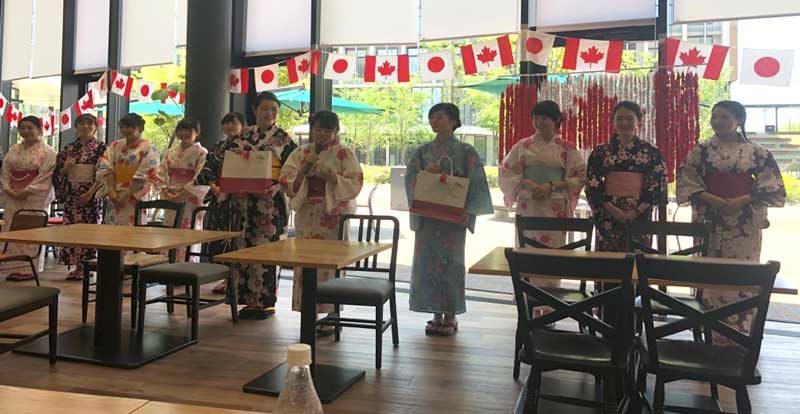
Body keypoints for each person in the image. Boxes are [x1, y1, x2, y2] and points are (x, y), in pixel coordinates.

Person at [677, 100, 786, 343]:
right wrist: (710, 197)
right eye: (715, 116)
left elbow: (772, 185)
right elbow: (687, 178)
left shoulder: (757, 152)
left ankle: (739, 332)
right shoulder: (701, 150)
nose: (718, 121)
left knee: (741, 272)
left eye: (724, 117)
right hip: (710, 217)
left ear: (739, 121)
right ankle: (708, 329)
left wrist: (744, 198)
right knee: (710, 270)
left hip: (744, 220)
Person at [198, 92, 296, 320]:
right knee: (242, 248)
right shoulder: (245, 135)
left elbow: (292, 169)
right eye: (264, 108)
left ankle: (265, 302)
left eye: (273, 109)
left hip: (268, 203)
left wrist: (280, 184)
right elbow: (226, 160)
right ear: (255, 110)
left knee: (265, 251)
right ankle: (245, 300)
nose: (269, 113)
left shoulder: (284, 139)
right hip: (242, 201)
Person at [405, 103, 493, 336]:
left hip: (453, 216)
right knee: (428, 264)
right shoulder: (422, 151)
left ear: (453, 121)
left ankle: (451, 314)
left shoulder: (466, 151)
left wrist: (470, 211)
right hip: (429, 215)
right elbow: (410, 177)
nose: (435, 121)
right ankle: (435, 313)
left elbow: (476, 180)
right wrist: (426, 175)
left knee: (451, 263)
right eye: (432, 117)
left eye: (440, 117)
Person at [279, 110, 363, 336]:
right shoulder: (301, 152)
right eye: (318, 129)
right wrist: (302, 173)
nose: (323, 134)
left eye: (328, 130)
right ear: (312, 130)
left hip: (333, 214)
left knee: (331, 263)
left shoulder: (344, 153)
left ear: (336, 131)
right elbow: (286, 181)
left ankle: (332, 312)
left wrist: (332, 177)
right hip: (307, 212)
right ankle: (309, 311)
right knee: (306, 262)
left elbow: (355, 183)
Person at [498, 100, 587, 297]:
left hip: (555, 205)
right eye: (536, 118)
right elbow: (507, 171)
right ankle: (527, 302)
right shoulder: (524, 145)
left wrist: (553, 185)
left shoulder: (567, 148)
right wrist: (528, 183)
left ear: (556, 120)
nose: (539, 122)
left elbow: (580, 175)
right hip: (528, 203)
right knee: (526, 249)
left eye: (544, 118)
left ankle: (549, 303)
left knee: (552, 253)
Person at [585, 101, 667, 252]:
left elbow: (657, 183)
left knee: (638, 257)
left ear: (638, 122)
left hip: (639, 212)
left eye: (630, 119)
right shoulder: (601, 152)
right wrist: (611, 208)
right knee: (609, 262)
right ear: (613, 121)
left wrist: (636, 211)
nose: (624, 123)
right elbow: (592, 182)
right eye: (620, 119)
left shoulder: (650, 152)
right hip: (608, 212)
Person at [0, 116, 57, 281]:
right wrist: (7, 188)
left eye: (30, 128)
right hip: (13, 194)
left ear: (39, 130)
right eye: (23, 128)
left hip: (34, 197)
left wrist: (28, 190)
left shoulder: (48, 151)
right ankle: (12, 266)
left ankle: (30, 269)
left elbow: (46, 174)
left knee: (31, 230)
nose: (26, 131)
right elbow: (5, 171)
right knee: (11, 228)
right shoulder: (13, 149)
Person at [52, 113, 107, 280]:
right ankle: (77, 266)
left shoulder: (101, 148)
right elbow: (58, 173)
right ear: (76, 127)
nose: (85, 127)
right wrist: (66, 168)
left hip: (91, 194)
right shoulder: (68, 148)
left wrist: (90, 194)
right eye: (81, 124)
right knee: (71, 230)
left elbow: (103, 173)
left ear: (95, 128)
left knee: (89, 231)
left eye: (89, 124)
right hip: (72, 195)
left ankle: (87, 266)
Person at [197, 111, 246, 294]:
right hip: (219, 196)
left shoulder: (246, 146)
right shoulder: (218, 146)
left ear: (242, 124)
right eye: (226, 124)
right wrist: (214, 186)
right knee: (219, 238)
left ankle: (236, 279)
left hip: (238, 195)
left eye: (233, 123)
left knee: (236, 238)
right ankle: (224, 278)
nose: (229, 127)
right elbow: (207, 168)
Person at [157, 117, 209, 260]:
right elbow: (161, 172)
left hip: (189, 199)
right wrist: (165, 190)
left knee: (187, 232)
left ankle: (185, 266)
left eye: (188, 130)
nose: (184, 133)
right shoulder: (170, 152)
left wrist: (182, 194)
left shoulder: (202, 153)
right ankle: (167, 265)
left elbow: (200, 178)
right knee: (170, 230)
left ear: (197, 132)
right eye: (181, 130)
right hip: (171, 196)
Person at [97, 113, 160, 226]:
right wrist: (111, 190)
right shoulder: (116, 145)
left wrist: (127, 194)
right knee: (111, 230)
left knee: (133, 230)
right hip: (115, 194)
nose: (125, 130)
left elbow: (144, 173)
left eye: (130, 127)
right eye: (122, 127)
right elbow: (107, 165)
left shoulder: (148, 148)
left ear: (139, 128)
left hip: (135, 194)